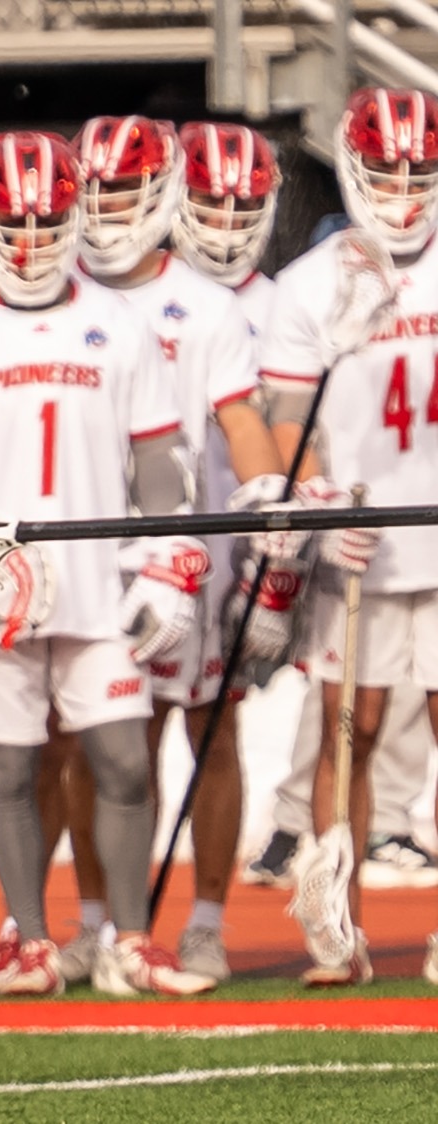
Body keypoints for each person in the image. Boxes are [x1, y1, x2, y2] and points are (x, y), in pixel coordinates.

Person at [0, 130, 215, 997]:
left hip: (100, 583)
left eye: (45, 220)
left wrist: (166, 564)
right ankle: (31, 939)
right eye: (13, 221)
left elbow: (159, 462)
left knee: (123, 761)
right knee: (10, 768)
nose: (29, 240)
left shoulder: (118, 323)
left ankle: (127, 938)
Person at [48, 114, 288, 986]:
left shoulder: (210, 308)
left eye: (124, 190)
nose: (108, 209)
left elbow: (246, 426)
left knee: (210, 736)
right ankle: (104, 921)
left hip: (197, 546)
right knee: (104, 746)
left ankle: (208, 924)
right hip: (90, 548)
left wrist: (273, 537)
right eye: (98, 190)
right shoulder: (54, 292)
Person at [256, 86, 438, 986]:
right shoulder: (309, 283)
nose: (403, 187)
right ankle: (341, 927)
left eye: (420, 169)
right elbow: (287, 419)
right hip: (360, 540)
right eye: (388, 168)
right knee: (348, 728)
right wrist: (322, 501)